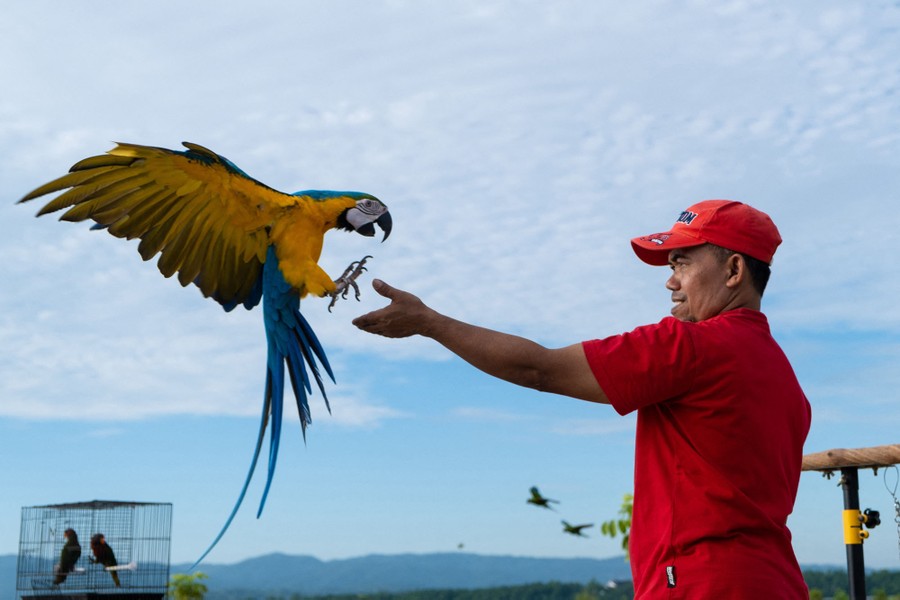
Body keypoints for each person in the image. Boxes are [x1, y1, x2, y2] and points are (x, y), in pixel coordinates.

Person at [352, 199, 811, 599]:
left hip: (700, 584)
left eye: (682, 264)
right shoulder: (781, 373)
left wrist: (430, 323)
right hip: (775, 580)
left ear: (733, 270)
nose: (670, 282)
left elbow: (539, 369)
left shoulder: (691, 347)